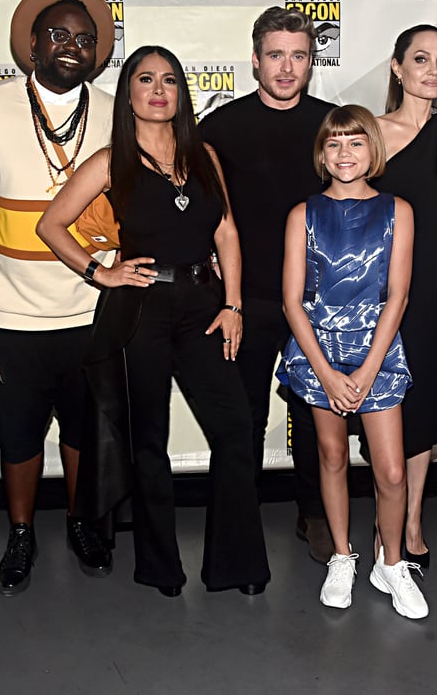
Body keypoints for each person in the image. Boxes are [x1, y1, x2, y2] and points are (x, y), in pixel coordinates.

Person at [37, 45, 270, 598]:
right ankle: (161, 567)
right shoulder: (109, 160)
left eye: (169, 80)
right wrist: (101, 273)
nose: (159, 89)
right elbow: (52, 225)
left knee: (236, 429)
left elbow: (227, 233)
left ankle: (237, 564)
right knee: (149, 441)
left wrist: (233, 304)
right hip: (140, 308)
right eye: (146, 79)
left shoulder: (204, 155)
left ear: (181, 92)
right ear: (130, 94)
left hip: (203, 305)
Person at [0, 0, 119, 595]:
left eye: (84, 38)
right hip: (10, 312)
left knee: (82, 429)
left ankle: (80, 522)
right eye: (58, 34)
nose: (71, 46)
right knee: (18, 434)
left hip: (92, 309)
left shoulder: (114, 111)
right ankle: (21, 533)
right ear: (30, 43)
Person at [278, 105, 427, 619]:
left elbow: (398, 297)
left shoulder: (398, 211)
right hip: (319, 352)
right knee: (332, 458)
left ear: (373, 150)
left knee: (389, 471)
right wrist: (326, 373)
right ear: (322, 153)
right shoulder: (303, 214)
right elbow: (291, 303)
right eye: (334, 143)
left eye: (356, 142)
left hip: (377, 351)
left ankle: (391, 563)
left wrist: (365, 371)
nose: (345, 153)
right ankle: (342, 557)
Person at [198, 6, 336, 564]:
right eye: (275, 55)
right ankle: (238, 517)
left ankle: (316, 513)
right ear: (255, 60)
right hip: (246, 297)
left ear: (311, 62)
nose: (286, 67)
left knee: (314, 412)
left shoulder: (335, 125)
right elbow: (199, 209)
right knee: (244, 414)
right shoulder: (220, 127)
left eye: (298, 56)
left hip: (321, 299)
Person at [372, 24, 437, 567]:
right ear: (397, 66)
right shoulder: (375, 133)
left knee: (429, 400)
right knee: (393, 401)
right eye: (421, 59)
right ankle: (387, 517)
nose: (433, 71)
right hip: (388, 287)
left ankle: (411, 523)